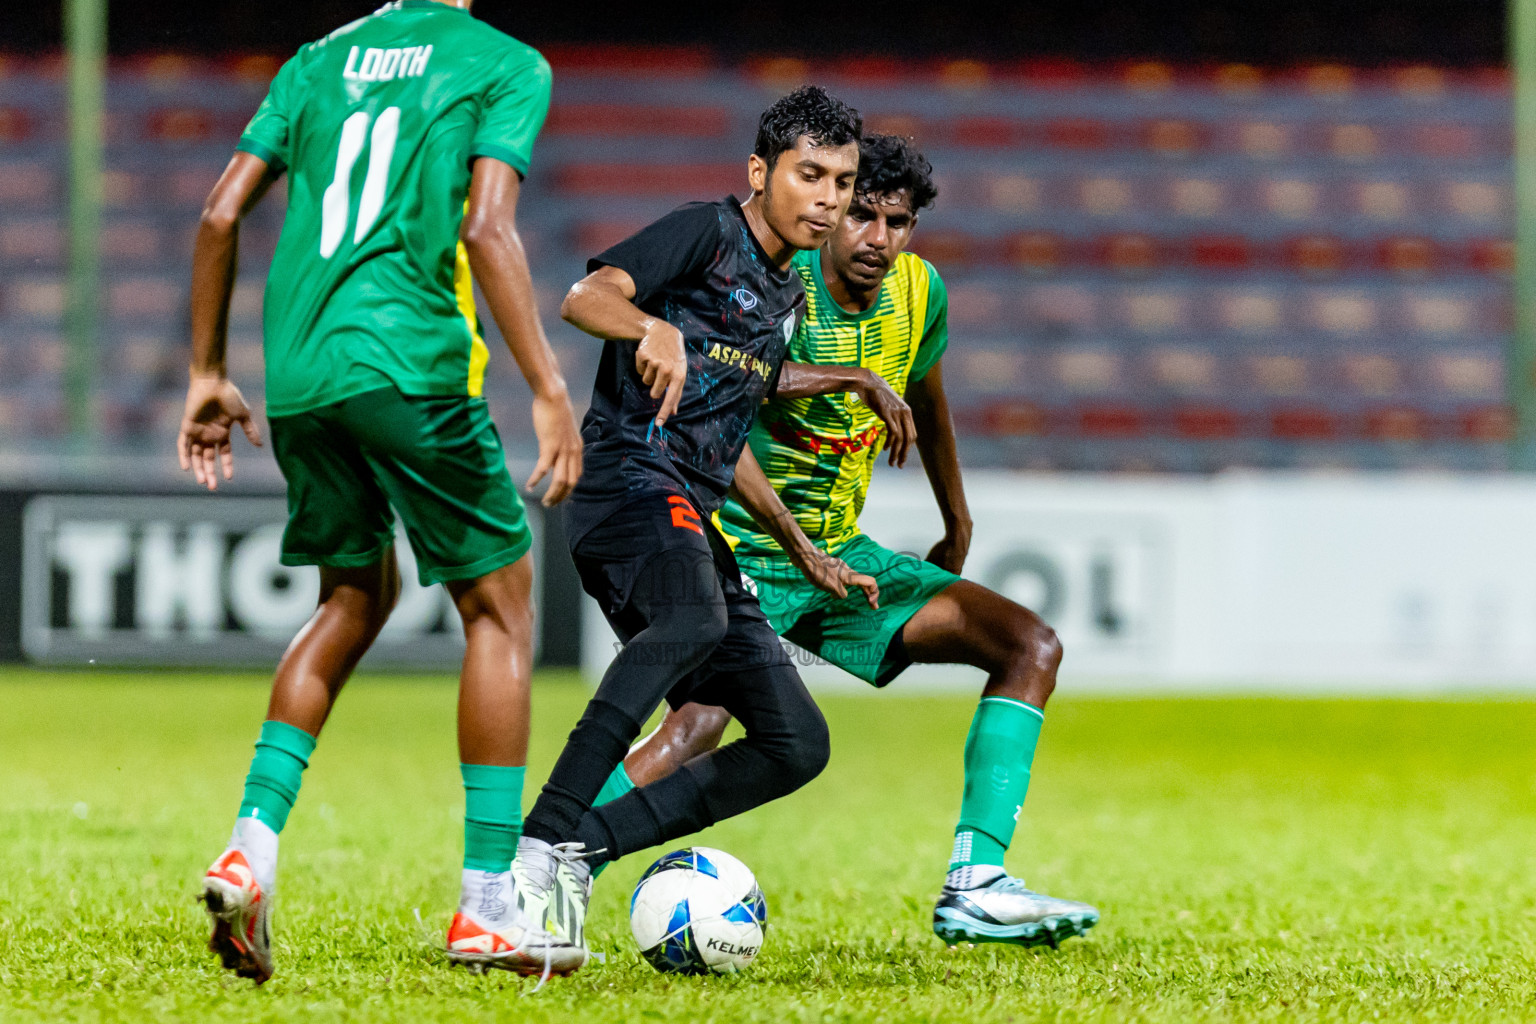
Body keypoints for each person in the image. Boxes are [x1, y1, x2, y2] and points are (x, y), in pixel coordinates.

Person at [599, 134, 1100, 949]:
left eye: (896, 222)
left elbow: (927, 399)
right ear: (831, 210)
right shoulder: (779, 279)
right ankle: (550, 855)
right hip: (739, 544)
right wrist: (849, 379)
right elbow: (728, 377)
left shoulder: (920, 293)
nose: (876, 238)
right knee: (698, 727)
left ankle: (976, 882)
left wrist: (958, 521)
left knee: (1029, 645)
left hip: (841, 557)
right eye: (860, 214)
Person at [177, 0, 581, 983]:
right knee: (501, 605)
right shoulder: (504, 62)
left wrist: (204, 372)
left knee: (355, 595)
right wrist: (550, 387)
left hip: (301, 377)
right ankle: (488, 905)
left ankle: (250, 847)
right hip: (410, 366)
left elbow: (220, 211)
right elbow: (487, 229)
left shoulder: (313, 58)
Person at [506, 86, 917, 976]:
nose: (830, 200)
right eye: (811, 176)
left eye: (843, 183)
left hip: (687, 503)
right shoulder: (703, 232)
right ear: (761, 173)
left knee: (794, 742)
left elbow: (727, 430)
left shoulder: (782, 291)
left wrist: (805, 550)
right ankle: (536, 851)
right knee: (693, 623)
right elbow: (587, 296)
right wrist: (651, 324)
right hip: (623, 484)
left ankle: (582, 851)